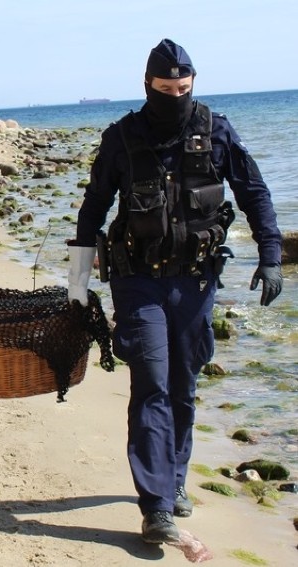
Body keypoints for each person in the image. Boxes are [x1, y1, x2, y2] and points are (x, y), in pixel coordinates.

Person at [67, 39, 283, 544]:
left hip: (196, 281)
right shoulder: (121, 138)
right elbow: (93, 207)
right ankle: (156, 505)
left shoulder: (216, 131)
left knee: (183, 388)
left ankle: (176, 480)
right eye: (166, 89)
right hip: (137, 281)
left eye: (183, 89)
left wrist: (271, 256)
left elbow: (254, 192)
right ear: (148, 85)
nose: (175, 96)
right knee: (152, 386)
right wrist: (78, 281)